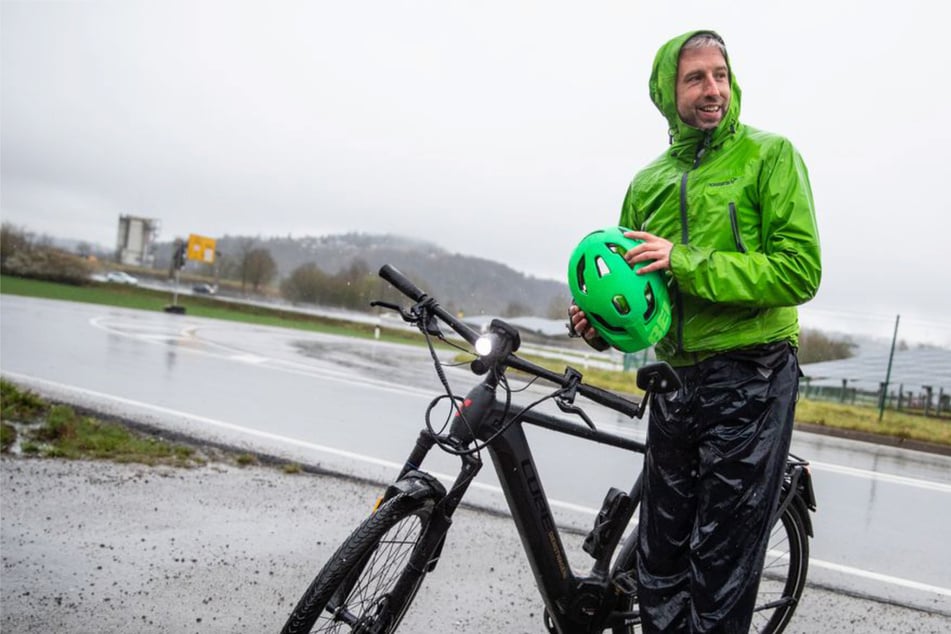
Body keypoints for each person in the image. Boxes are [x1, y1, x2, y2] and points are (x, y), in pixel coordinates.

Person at [570, 30, 821, 633]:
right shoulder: (647, 183)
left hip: (753, 372)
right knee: (659, 561)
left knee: (720, 564)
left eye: (721, 75)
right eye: (696, 78)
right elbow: (638, 303)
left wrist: (684, 260)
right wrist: (598, 326)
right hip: (676, 380)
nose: (713, 90)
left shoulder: (770, 156)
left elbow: (800, 270)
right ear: (667, 90)